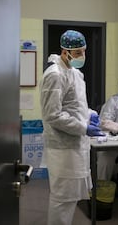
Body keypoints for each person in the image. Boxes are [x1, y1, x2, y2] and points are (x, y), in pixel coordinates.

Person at [40, 29, 104, 225]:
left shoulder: (75, 73)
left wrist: (91, 114)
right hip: (63, 146)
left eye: (84, 51)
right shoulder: (55, 74)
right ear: (64, 51)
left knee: (72, 197)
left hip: (76, 144)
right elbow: (53, 115)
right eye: (77, 53)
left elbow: (76, 104)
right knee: (62, 198)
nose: (82, 56)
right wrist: (83, 127)